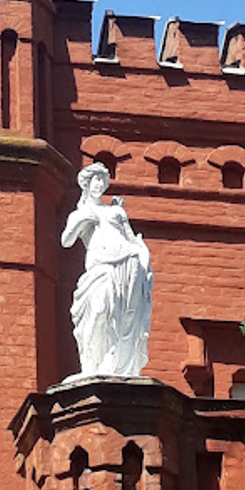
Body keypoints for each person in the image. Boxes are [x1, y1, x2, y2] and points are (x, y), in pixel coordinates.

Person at [61, 162, 153, 378]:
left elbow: (130, 237)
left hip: (127, 262)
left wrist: (142, 255)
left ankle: (114, 361)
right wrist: (82, 220)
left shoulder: (115, 210)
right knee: (99, 309)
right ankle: (91, 364)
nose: (100, 184)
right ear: (87, 183)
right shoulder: (81, 213)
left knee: (124, 316)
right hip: (101, 267)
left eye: (103, 181)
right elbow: (66, 240)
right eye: (96, 180)